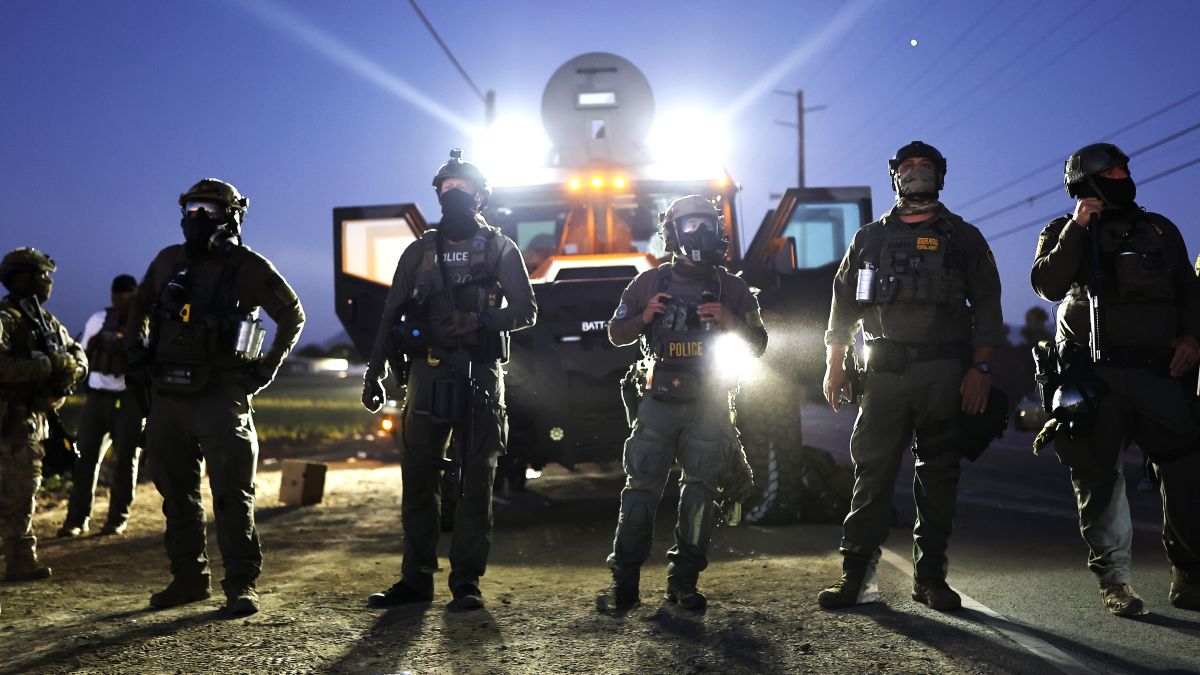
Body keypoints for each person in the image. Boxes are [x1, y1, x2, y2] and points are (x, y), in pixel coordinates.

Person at [820, 141, 1004, 611]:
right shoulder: (869, 239)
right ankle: (857, 578)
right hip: (883, 373)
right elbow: (844, 304)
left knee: (939, 475)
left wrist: (980, 368)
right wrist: (835, 363)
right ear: (895, 178)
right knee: (871, 474)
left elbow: (987, 305)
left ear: (941, 177)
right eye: (908, 166)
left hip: (945, 371)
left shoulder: (963, 237)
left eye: (926, 166)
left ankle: (930, 579)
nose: (917, 172)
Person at [361, 149, 536, 611]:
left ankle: (466, 582)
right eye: (446, 188)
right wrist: (374, 371)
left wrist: (479, 321)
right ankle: (416, 578)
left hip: (480, 374)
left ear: (481, 197)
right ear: (437, 194)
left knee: (476, 481)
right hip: (427, 372)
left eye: (463, 188)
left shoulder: (499, 248)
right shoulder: (418, 252)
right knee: (418, 478)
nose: (453, 194)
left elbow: (525, 310)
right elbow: (390, 315)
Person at [1031, 143, 1200, 616]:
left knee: (1185, 470)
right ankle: (1115, 584)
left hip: (1160, 372)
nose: (1123, 176)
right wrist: (1078, 228)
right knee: (1099, 480)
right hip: (1096, 378)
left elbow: (1189, 290)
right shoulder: (1062, 231)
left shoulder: (1160, 229)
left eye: (1125, 169)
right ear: (1085, 183)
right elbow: (1048, 284)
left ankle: (1189, 576)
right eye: (1112, 171)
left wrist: (1192, 338)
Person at [126, 178, 304, 615]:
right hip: (167, 395)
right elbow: (141, 306)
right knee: (176, 493)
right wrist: (137, 357)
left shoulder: (249, 267)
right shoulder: (169, 261)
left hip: (220, 394)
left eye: (210, 210)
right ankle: (189, 579)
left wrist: (263, 371)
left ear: (232, 217)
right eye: (192, 209)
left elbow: (292, 314)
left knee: (231, 494)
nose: (199, 218)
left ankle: (242, 584)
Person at [596, 195, 767, 613]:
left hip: (709, 399)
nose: (699, 232)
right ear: (673, 232)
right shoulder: (648, 283)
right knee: (640, 490)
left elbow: (759, 345)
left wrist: (730, 321)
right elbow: (616, 333)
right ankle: (625, 583)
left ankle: (683, 582)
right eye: (690, 225)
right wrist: (645, 319)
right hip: (659, 399)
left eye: (707, 223)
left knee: (700, 496)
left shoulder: (734, 287)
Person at [0, 247, 87, 581]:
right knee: (12, 493)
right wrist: (46, 365)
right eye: (42, 275)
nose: (48, 282)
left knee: (24, 490)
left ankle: (21, 560)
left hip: (34, 421)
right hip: (9, 420)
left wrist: (72, 368)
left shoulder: (46, 321)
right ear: (20, 277)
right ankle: (18, 558)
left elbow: (78, 356)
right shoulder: (6, 318)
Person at [58, 274, 144, 537]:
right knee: (84, 460)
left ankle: (117, 518)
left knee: (125, 462)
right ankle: (76, 519)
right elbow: (81, 355)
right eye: (116, 295)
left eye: (125, 295)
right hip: (97, 397)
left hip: (129, 399)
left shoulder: (144, 323)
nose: (119, 300)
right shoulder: (98, 320)